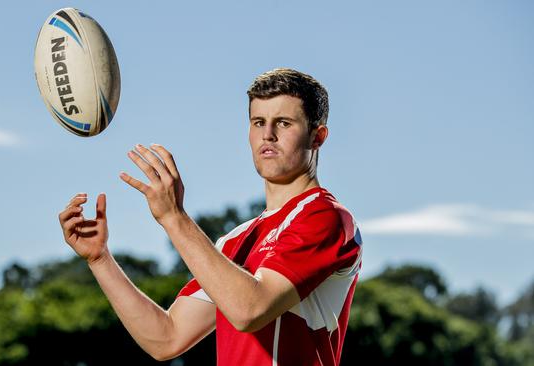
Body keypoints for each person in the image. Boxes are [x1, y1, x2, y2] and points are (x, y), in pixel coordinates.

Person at [58, 68, 362, 366]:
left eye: (283, 123)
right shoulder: (235, 240)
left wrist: (174, 218)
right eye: (258, 122)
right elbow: (167, 338)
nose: (267, 135)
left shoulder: (326, 217)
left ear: (317, 136)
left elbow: (249, 310)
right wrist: (100, 260)